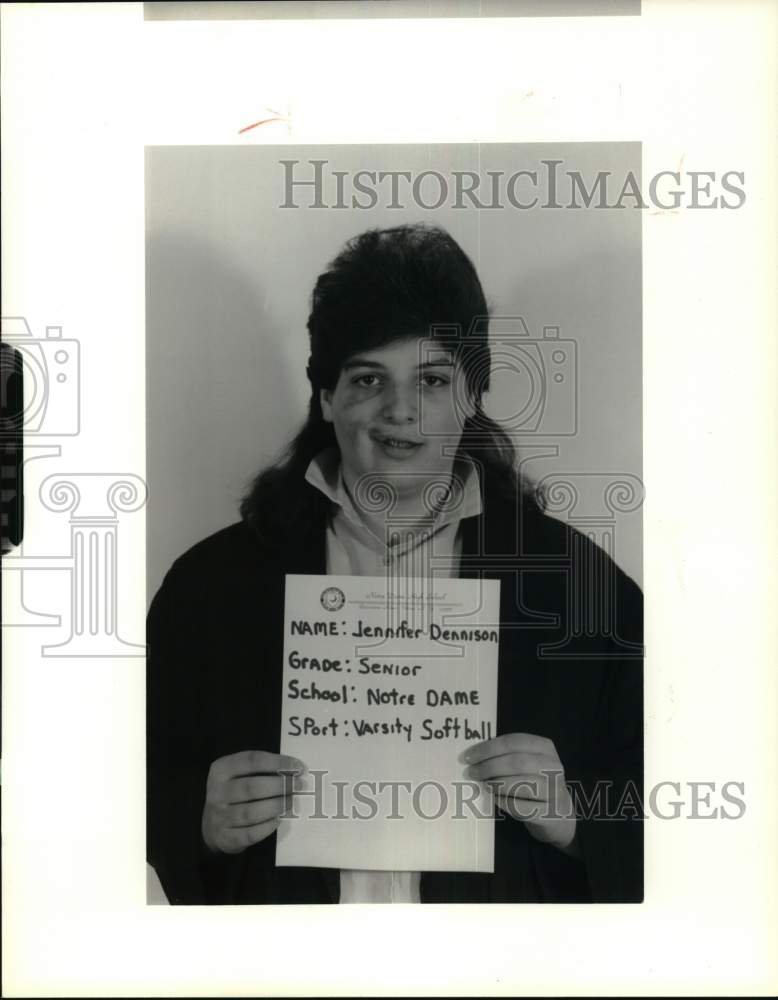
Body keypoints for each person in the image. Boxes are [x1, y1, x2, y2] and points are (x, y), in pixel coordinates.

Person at [147, 223, 643, 905]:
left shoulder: (581, 589)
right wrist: (193, 822)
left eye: (433, 379)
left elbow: (686, 827)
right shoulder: (208, 590)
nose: (401, 411)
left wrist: (581, 817)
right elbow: (119, 795)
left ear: (472, 397)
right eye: (369, 377)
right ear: (326, 396)